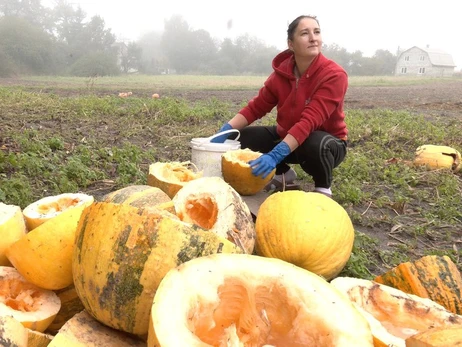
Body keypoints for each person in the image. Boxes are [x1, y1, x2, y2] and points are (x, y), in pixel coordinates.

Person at [211, 15, 348, 198]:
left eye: (316, 32)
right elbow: (255, 108)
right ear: (291, 44)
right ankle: (283, 174)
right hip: (289, 136)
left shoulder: (334, 75)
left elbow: (308, 122)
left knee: (315, 142)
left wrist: (276, 155)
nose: (313, 38)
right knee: (240, 139)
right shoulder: (280, 75)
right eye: (305, 33)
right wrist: (225, 131)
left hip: (328, 143)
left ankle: (323, 189)